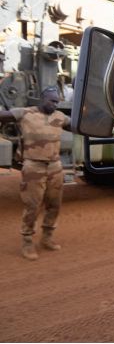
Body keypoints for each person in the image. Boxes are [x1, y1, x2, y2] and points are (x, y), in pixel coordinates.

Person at [0, 87, 71, 260]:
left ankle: (47, 237)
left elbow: (80, 126)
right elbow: (3, 116)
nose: (55, 104)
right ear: (42, 98)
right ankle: (27, 241)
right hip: (33, 167)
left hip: (55, 167)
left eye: (57, 101)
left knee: (54, 204)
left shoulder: (60, 116)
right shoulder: (25, 113)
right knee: (32, 205)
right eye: (51, 101)